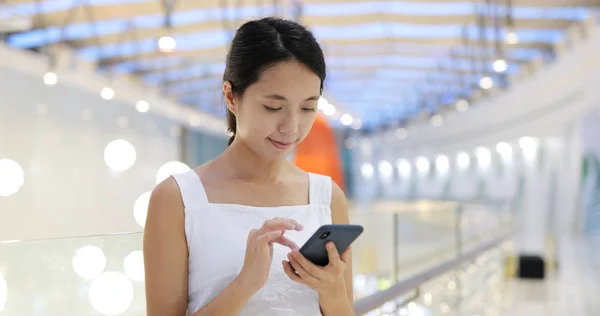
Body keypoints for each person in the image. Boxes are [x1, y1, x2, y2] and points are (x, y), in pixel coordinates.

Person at [143, 17, 355, 316]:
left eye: (308, 107)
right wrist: (245, 284)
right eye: (273, 107)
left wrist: (332, 292)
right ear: (231, 96)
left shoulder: (326, 197)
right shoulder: (177, 199)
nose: (291, 128)